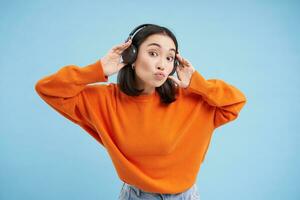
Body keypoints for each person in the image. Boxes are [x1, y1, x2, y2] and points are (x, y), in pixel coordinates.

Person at [35, 24, 247, 199]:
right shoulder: (105, 101)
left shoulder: (192, 100)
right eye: (153, 53)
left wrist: (198, 83)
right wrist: (97, 70)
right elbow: (48, 89)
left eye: (169, 58)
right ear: (131, 57)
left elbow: (236, 101)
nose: (162, 65)